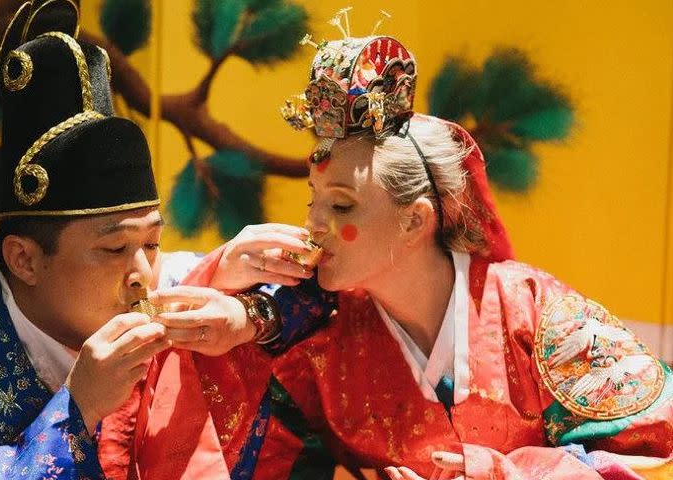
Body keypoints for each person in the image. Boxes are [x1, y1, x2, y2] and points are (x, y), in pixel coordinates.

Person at [141, 26, 673, 480]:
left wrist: (505, 471)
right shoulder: (324, 338)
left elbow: (656, 444)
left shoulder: (536, 313)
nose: (313, 225)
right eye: (313, 201)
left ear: (415, 220)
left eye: (342, 206)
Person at [0, 2, 310, 477]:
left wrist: (249, 313)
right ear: (25, 260)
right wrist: (77, 409)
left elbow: (323, 299)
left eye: (154, 243)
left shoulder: (152, 283)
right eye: (115, 249)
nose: (144, 275)